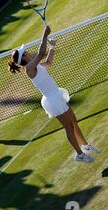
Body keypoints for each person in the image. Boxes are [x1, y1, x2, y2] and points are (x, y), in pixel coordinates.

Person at [7, 26, 100, 163]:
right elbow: (40, 53)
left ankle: (85, 146)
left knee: (73, 120)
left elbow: (48, 62)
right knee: (68, 126)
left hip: (56, 95)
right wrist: (44, 35)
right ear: (24, 57)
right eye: (25, 52)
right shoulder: (29, 68)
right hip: (52, 99)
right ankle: (79, 154)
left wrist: (52, 47)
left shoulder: (35, 65)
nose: (27, 52)